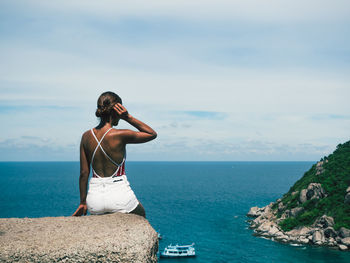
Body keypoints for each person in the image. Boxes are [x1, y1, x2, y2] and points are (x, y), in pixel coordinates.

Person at [72, 91, 157, 217]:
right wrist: (128, 117)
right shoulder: (120, 135)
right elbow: (152, 134)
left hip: (95, 200)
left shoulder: (86, 137)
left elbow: (84, 173)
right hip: (120, 197)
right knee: (141, 215)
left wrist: (83, 203)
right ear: (118, 111)